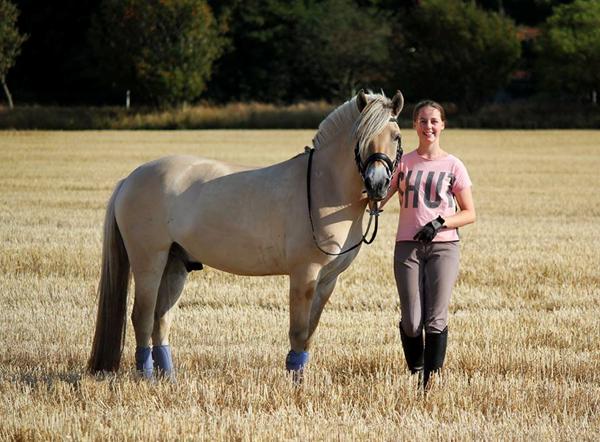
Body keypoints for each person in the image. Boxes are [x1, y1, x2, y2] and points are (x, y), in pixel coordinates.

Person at [381, 100, 476, 388]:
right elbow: (378, 200)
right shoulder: (404, 163)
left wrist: (439, 223)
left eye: (434, 121)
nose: (428, 126)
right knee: (411, 320)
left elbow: (469, 213)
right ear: (414, 125)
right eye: (423, 121)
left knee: (435, 318)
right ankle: (416, 367)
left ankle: (429, 383)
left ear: (443, 125)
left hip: (444, 248)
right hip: (407, 247)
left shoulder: (453, 165)